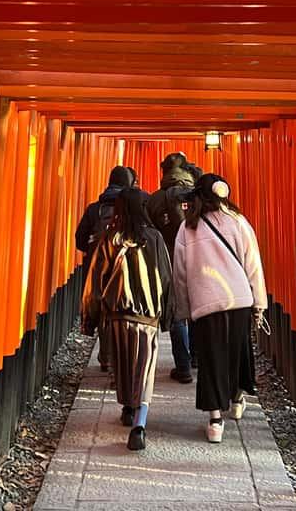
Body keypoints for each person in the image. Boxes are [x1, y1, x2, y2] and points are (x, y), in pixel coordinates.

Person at [171, 174, 267, 443]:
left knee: (212, 359)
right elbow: (253, 264)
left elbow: (180, 274)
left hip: (205, 303)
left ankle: (215, 421)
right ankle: (237, 400)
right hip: (238, 300)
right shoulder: (238, 221)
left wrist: (184, 309)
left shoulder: (187, 228)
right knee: (237, 351)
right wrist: (259, 301)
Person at [81, 187, 173, 451]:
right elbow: (166, 278)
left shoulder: (110, 238)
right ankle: (139, 423)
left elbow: (96, 282)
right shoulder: (154, 238)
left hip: (117, 315)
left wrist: (90, 318)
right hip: (146, 316)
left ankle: (127, 407)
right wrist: (167, 315)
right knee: (144, 368)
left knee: (122, 366)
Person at [146, 153, 201, 383]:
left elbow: (149, 234)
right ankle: (198, 357)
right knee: (200, 308)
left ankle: (183, 366)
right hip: (199, 260)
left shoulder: (154, 200)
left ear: (164, 172)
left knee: (177, 312)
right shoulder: (199, 197)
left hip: (168, 262)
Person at [75, 166, 135, 372]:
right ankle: (122, 355)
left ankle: (107, 356)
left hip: (98, 267)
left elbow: (80, 240)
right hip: (124, 266)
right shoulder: (132, 208)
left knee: (103, 310)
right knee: (123, 310)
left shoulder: (94, 209)